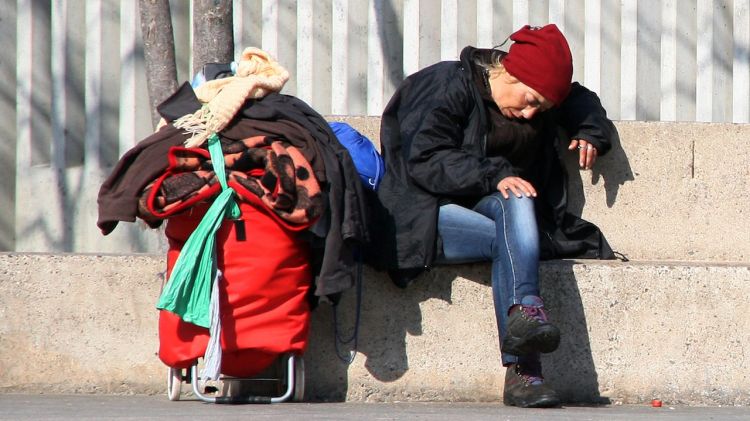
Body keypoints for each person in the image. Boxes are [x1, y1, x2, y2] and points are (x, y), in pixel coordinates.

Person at [369, 24, 616, 408]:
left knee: (516, 203)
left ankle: (525, 321)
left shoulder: (535, 95)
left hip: (499, 217)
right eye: (530, 99)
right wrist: (494, 173)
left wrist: (589, 130)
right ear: (508, 72)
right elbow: (424, 159)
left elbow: (577, 97)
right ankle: (526, 368)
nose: (531, 112)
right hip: (428, 214)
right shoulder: (447, 85)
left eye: (542, 109)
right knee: (515, 215)